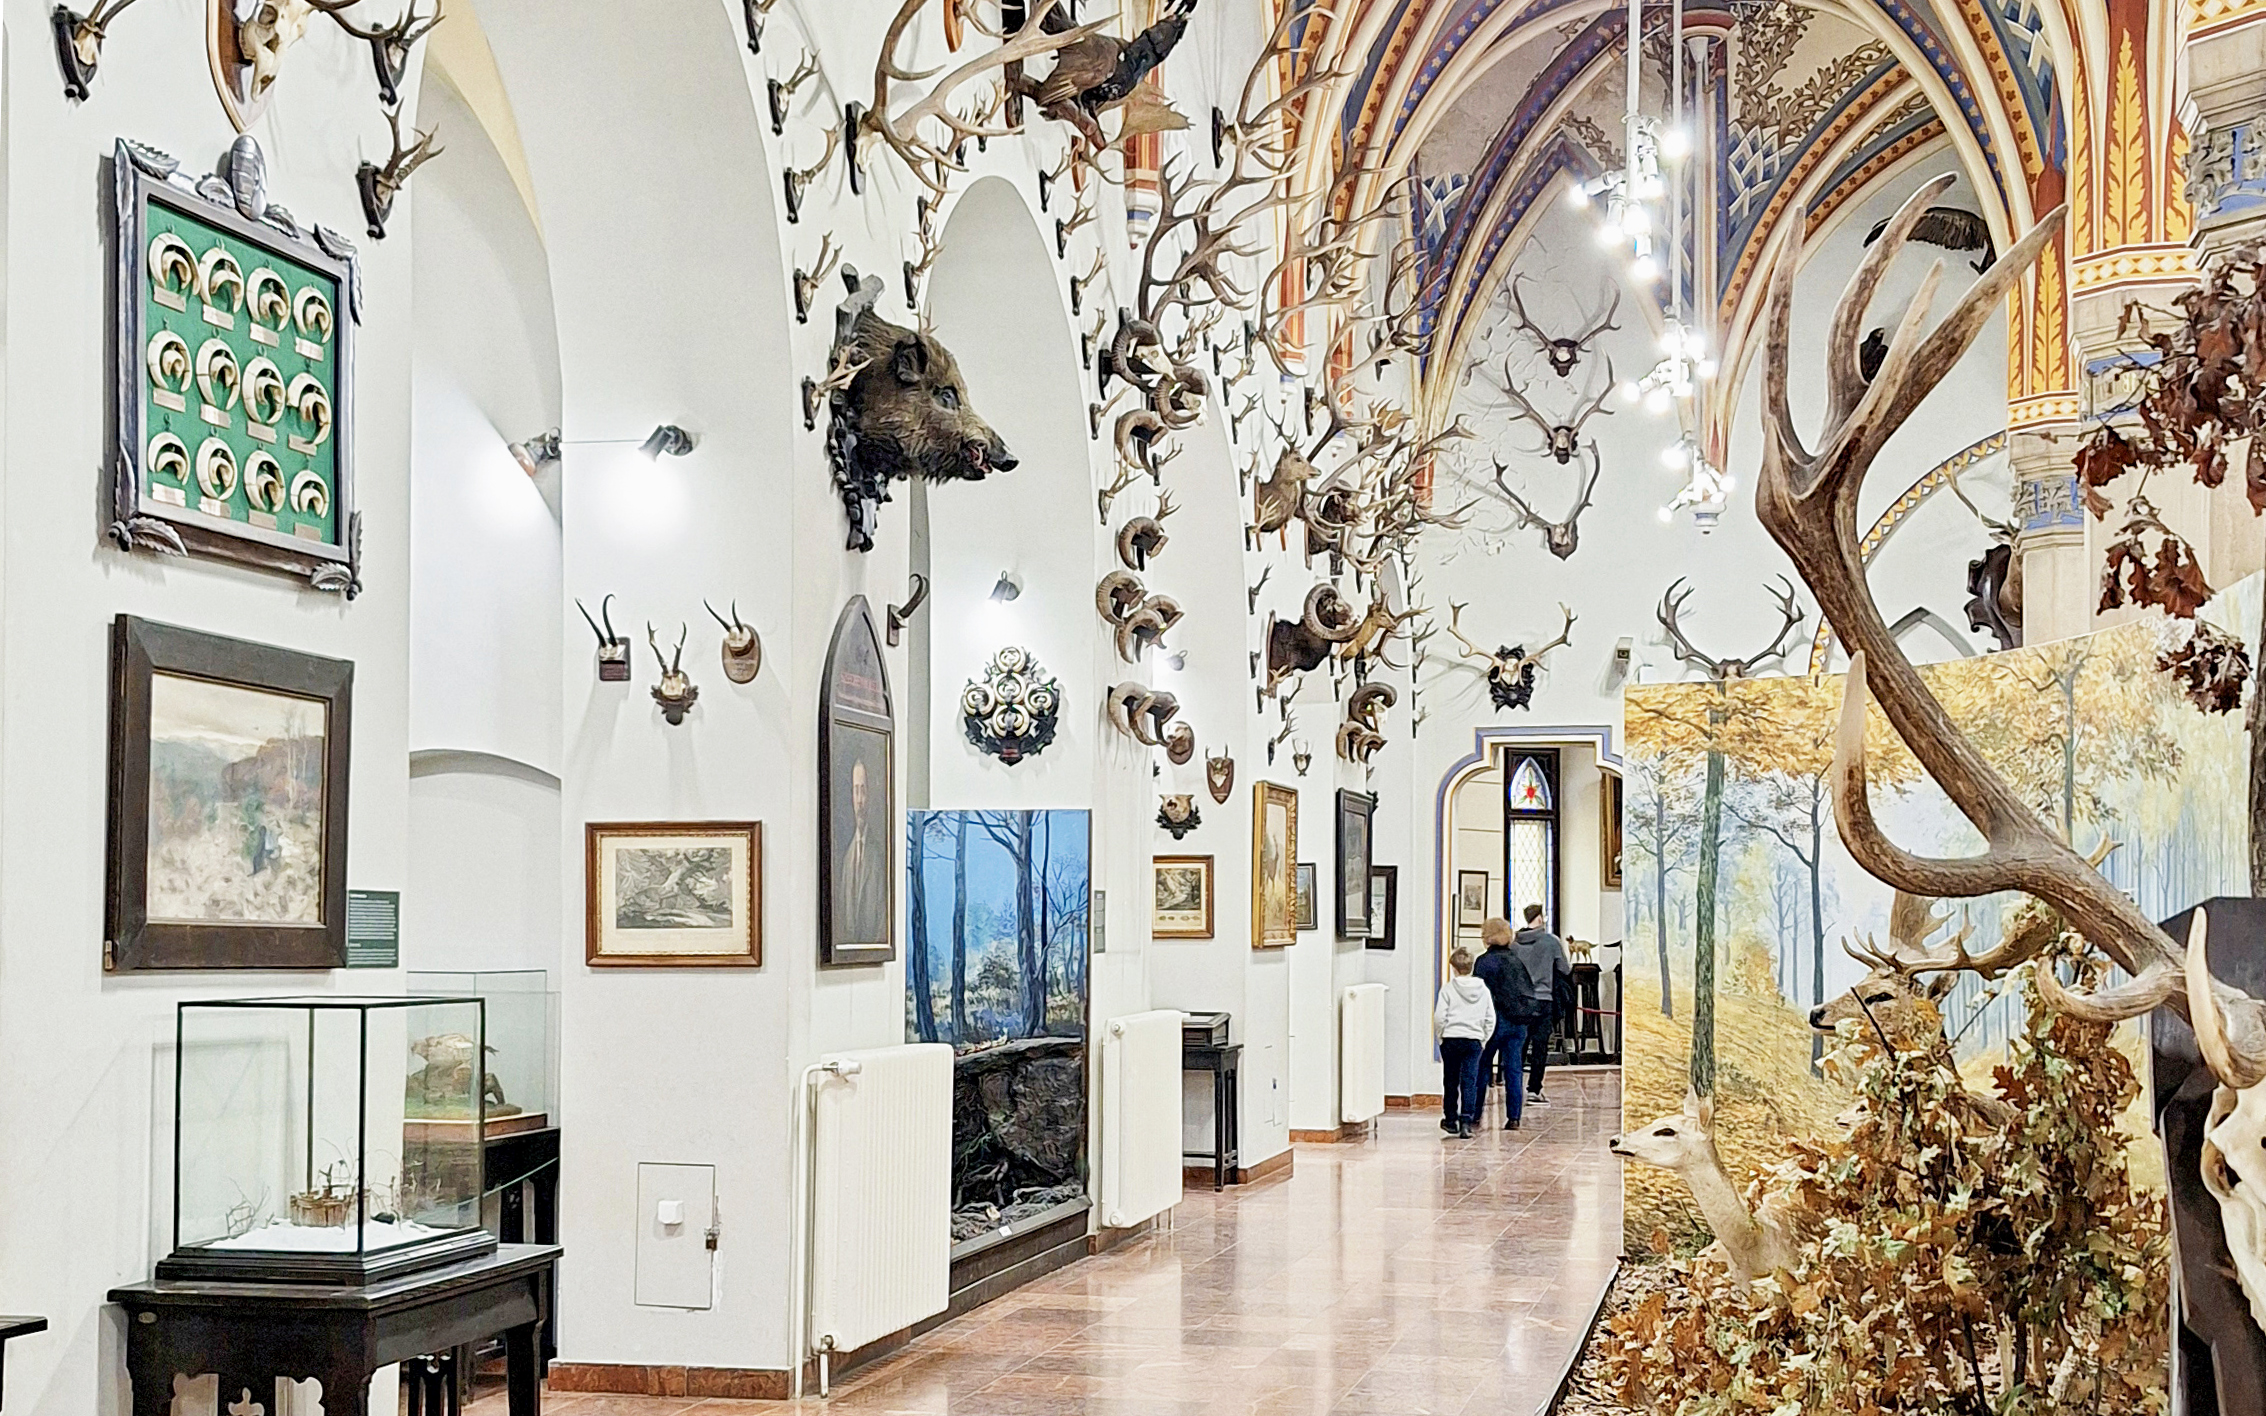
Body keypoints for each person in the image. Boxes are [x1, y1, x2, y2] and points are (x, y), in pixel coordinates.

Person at [1471, 917, 1539, 1129]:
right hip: (1517, 1022)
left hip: (1493, 1022)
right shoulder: (1516, 960)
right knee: (1514, 1068)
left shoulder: (1483, 962)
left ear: (1487, 937)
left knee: (1482, 1066)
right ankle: (1514, 1117)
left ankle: (1474, 1114)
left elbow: (1478, 994)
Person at [1513, 904, 1572, 1105]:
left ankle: (1515, 1089)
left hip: (1521, 1000)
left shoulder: (1514, 944)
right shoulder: (1550, 942)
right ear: (1539, 918)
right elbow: (1564, 968)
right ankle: (1534, 1090)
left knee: (1519, 1045)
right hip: (1544, 998)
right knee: (1540, 1047)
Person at [1433, 946, 1492, 1138]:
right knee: (1470, 1081)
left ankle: (1450, 1119)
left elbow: (1440, 1017)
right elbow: (1490, 1018)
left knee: (1450, 1080)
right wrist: (1483, 1038)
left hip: (1451, 1038)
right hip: (1473, 1039)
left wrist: (1440, 1036)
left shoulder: (1448, 989)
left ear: (1454, 968)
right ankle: (1467, 1120)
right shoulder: (1483, 990)